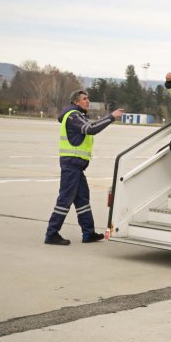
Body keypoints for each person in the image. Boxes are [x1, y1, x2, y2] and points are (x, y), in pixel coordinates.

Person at [44, 90, 124, 245]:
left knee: (82, 200)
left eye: (88, 98)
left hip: (77, 167)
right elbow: (91, 128)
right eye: (84, 99)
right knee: (65, 200)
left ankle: (88, 233)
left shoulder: (78, 115)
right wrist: (111, 117)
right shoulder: (73, 116)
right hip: (71, 165)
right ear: (76, 102)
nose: (88, 101)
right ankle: (51, 234)